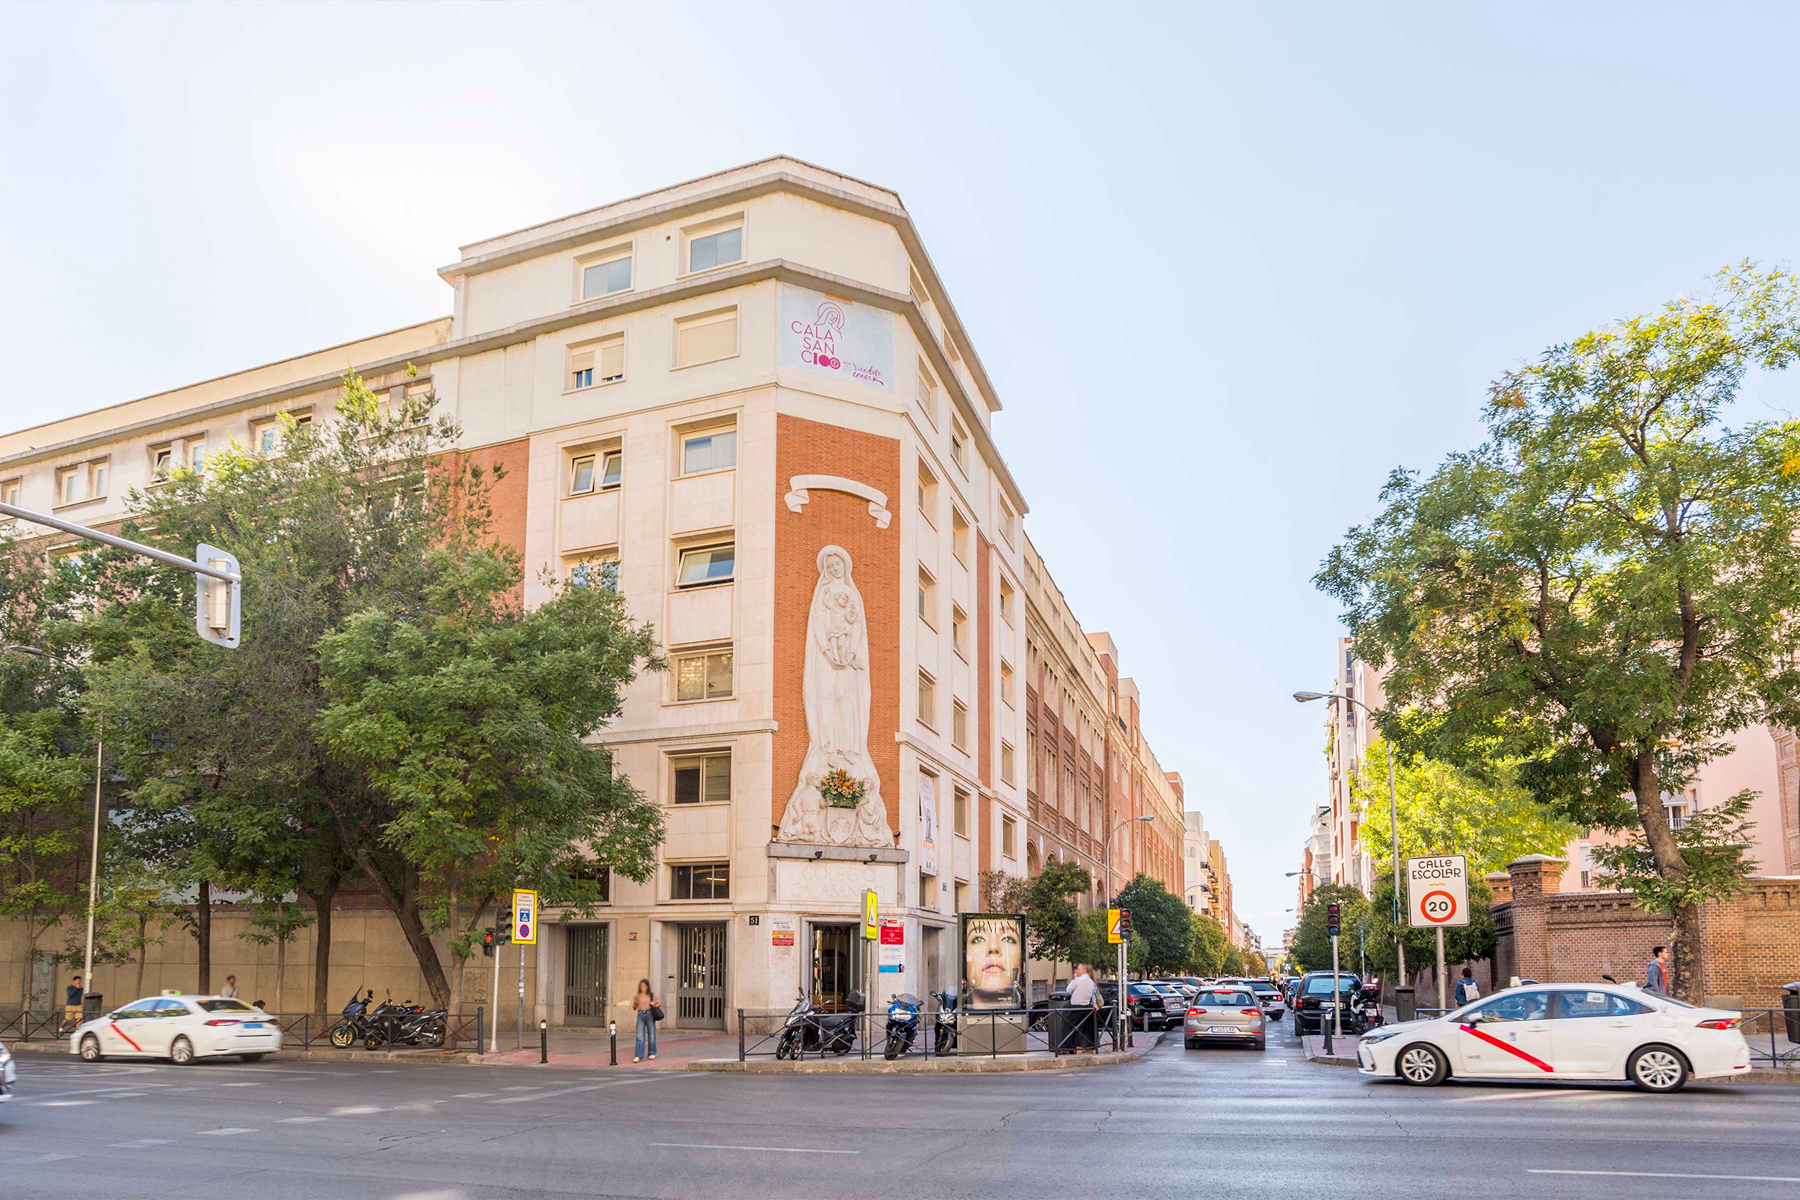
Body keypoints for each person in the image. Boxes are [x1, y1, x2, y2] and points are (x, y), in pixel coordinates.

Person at [1065, 963, 1099, 1052]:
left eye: (1079, 969)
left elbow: (1068, 990)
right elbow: (1092, 994)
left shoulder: (1078, 980)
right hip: (1086, 1007)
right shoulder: (1091, 982)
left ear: (1084, 970)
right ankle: (1078, 1046)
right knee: (1080, 1028)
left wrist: (1075, 978)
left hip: (1076, 1007)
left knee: (1068, 1025)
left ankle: (1069, 1047)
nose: (1077, 971)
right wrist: (1094, 1003)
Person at [632, 978, 659, 1062]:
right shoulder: (638, 996)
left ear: (647, 986)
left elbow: (659, 1003)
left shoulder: (651, 995)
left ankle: (652, 1053)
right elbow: (634, 1008)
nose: (642, 987)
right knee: (639, 1036)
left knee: (652, 1035)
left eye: (644, 986)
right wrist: (635, 1004)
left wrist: (654, 1004)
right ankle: (638, 1055)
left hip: (650, 1014)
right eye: (641, 986)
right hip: (640, 1015)